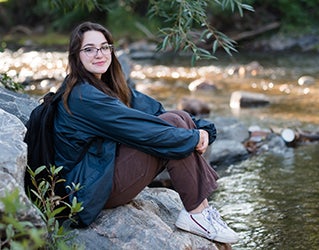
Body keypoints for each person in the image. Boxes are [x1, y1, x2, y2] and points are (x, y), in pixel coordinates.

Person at [54, 21, 238, 244]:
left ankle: (201, 212)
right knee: (175, 126)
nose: (99, 54)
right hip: (87, 191)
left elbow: (158, 111)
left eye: (104, 47)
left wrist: (204, 129)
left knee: (179, 118)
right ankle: (198, 214)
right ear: (76, 56)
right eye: (89, 49)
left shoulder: (110, 86)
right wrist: (192, 137)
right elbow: (145, 131)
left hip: (104, 170)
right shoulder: (83, 96)